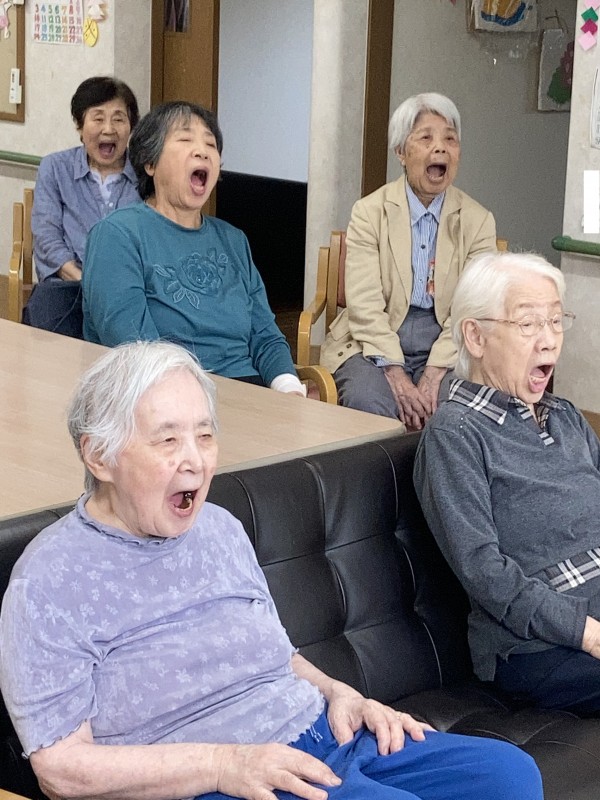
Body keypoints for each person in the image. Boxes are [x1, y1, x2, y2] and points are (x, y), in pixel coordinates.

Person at [0, 341, 542, 800]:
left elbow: (277, 656)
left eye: (204, 436)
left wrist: (342, 694)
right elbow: (60, 770)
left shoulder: (218, 528)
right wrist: (223, 765)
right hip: (212, 783)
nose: (196, 460)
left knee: (508, 776)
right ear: (99, 456)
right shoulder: (49, 580)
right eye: (167, 440)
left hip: (318, 736)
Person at [413, 251, 600, 714]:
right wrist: (585, 631)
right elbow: (486, 572)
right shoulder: (455, 435)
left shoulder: (565, 417)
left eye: (555, 321)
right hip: (538, 647)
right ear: (475, 336)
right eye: (529, 323)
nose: (548, 340)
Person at [82, 101, 305, 396]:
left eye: (210, 144)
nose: (202, 151)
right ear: (150, 163)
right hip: (165, 394)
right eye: (185, 139)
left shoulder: (233, 240)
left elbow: (265, 334)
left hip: (248, 391)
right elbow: (136, 348)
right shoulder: (117, 235)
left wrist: (289, 389)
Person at [320, 93, 496, 429]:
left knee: (458, 408)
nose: (440, 148)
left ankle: (434, 467)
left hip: (449, 340)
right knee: (367, 402)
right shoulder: (370, 212)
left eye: (450, 139)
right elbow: (364, 305)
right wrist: (396, 373)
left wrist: (434, 372)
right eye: (426, 137)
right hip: (372, 338)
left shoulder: (478, 221)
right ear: (401, 152)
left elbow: (473, 307)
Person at [27, 76, 140, 337]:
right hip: (71, 287)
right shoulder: (55, 168)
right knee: (47, 315)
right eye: (98, 118)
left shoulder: (146, 175)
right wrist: (85, 281)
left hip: (128, 290)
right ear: (80, 125)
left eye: (118, 119)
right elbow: (46, 238)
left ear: (131, 127)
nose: (108, 129)